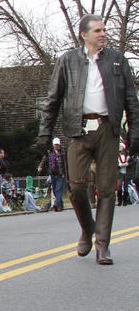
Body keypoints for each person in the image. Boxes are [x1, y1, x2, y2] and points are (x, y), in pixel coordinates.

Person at [37, 14, 139, 265]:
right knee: (77, 187)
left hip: (108, 130)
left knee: (106, 190)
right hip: (78, 131)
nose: (103, 34)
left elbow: (131, 101)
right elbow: (53, 100)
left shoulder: (117, 60)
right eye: (97, 30)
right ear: (84, 34)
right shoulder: (67, 60)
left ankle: (102, 245)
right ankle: (87, 229)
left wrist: (135, 131)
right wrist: (44, 133)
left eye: (104, 30)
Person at [37, 137, 67, 211]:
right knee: (54, 190)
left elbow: (66, 164)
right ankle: (60, 206)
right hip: (52, 174)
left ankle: (56, 204)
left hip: (60, 174)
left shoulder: (63, 152)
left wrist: (65, 173)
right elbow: (44, 160)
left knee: (58, 190)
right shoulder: (50, 152)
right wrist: (40, 167)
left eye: (58, 144)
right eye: (55, 144)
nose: (57, 146)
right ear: (53, 145)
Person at [117, 141, 130, 206]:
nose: (121, 149)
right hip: (120, 173)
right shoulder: (117, 156)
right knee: (119, 186)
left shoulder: (128, 156)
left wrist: (127, 164)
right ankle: (120, 201)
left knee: (126, 187)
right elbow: (116, 164)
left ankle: (125, 201)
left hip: (126, 173)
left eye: (122, 147)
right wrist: (120, 165)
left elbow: (131, 162)